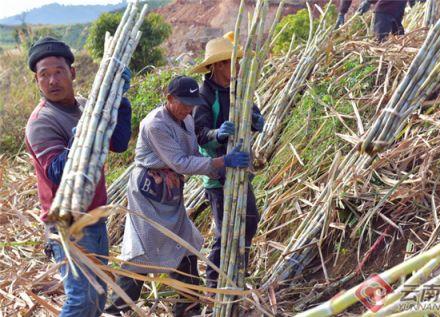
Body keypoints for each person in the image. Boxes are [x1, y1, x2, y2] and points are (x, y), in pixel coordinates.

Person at [105, 76, 250, 316]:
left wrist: (216, 139)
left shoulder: (187, 119)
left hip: (170, 192)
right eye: (183, 103)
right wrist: (223, 161)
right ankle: (115, 310)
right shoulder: (155, 124)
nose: (188, 108)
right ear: (169, 99)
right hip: (148, 193)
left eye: (192, 103)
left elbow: (193, 152)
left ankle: (188, 309)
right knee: (142, 251)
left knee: (186, 246)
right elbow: (181, 162)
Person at [24, 37, 132, 317]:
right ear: (37, 81)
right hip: (66, 221)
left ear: (72, 72)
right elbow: (59, 172)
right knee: (82, 299)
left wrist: (119, 101)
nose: (52, 81)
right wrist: (82, 134)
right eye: (43, 75)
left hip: (95, 216)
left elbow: (118, 142)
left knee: (98, 296)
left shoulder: (87, 106)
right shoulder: (41, 122)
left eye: (58, 71)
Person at [191, 35, 265, 289]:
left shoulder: (238, 88)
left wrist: (255, 120)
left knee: (250, 219)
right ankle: (214, 286)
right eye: (233, 62)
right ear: (220, 65)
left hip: (241, 168)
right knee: (225, 233)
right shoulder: (204, 95)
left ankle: (236, 276)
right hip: (219, 173)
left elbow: (253, 113)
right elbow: (199, 134)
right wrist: (218, 134)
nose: (237, 67)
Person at [336, 0, 414, 41]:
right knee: (389, 41)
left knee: (389, 41)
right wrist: (342, 13)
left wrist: (368, 1)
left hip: (388, 9)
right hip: (390, 9)